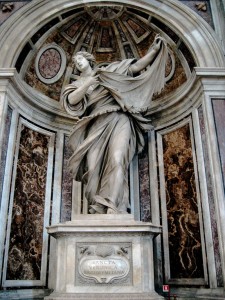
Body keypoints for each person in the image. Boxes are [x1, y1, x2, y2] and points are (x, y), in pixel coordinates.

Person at [62, 35, 168, 214]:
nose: (78, 62)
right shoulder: (77, 84)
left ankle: (113, 205)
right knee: (93, 168)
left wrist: (154, 51)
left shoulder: (110, 71)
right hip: (95, 124)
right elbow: (72, 100)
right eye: (75, 61)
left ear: (89, 60)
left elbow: (135, 67)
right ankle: (97, 208)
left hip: (119, 119)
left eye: (80, 58)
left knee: (117, 161)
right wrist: (88, 82)